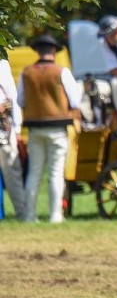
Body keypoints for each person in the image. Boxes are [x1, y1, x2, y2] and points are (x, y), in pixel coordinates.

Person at [17, 34, 82, 223]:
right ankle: (55, 215)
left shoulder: (26, 72)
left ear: (37, 51)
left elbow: (21, 100)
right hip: (57, 127)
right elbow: (75, 99)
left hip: (34, 129)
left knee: (34, 173)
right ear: (54, 51)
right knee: (55, 173)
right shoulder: (61, 72)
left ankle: (29, 215)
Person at [0, 58, 28, 220]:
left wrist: (17, 128)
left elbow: (11, 95)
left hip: (3, 126)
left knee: (12, 170)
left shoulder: (1, 62)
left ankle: (23, 213)